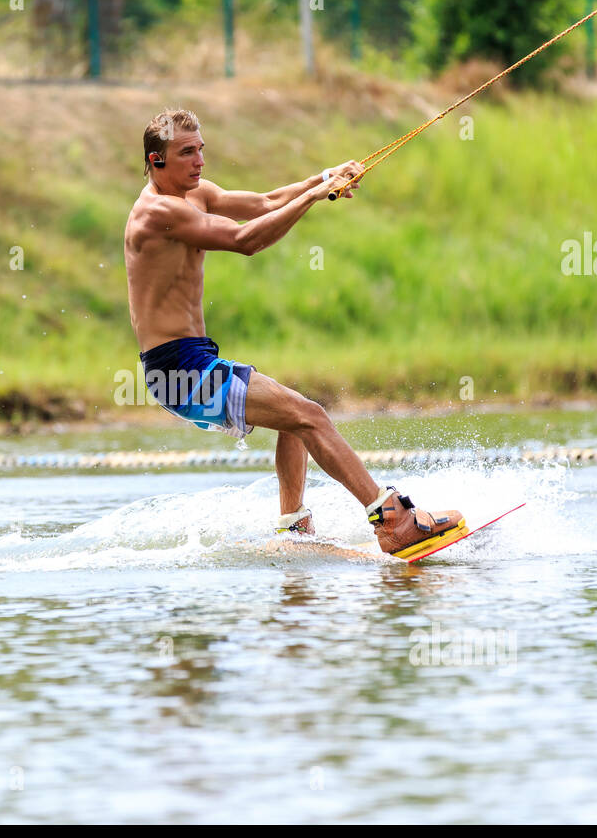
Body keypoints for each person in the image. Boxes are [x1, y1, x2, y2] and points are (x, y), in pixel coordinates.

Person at [122, 108, 463, 555]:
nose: (200, 161)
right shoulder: (158, 213)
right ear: (157, 160)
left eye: (201, 149)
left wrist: (324, 177)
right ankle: (392, 520)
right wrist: (317, 195)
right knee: (311, 415)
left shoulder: (195, 193)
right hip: (178, 370)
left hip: (194, 359)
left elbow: (264, 203)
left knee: (295, 418)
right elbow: (245, 242)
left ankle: (293, 525)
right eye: (187, 153)